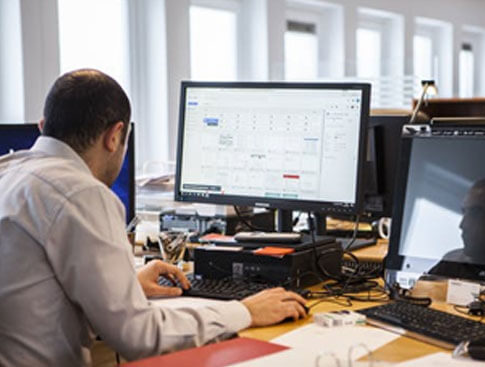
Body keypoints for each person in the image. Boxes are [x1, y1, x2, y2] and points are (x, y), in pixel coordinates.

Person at [0, 69, 307, 367]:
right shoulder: (80, 193)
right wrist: (244, 311)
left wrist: (125, 286)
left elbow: (35, 298)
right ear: (115, 135)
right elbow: (140, 338)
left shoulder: (8, 172)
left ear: (43, 127)